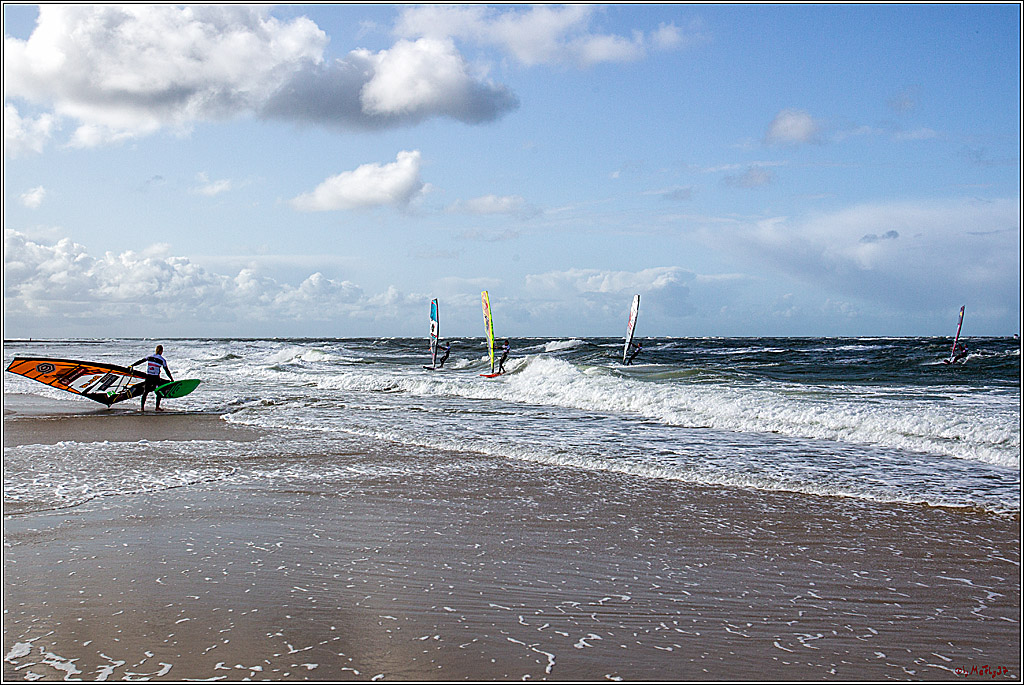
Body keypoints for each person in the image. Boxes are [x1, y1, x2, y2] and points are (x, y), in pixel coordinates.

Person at [130, 344, 174, 411]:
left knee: (145, 392)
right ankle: (157, 407)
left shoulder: (149, 356)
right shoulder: (162, 360)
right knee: (158, 392)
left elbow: (141, 361)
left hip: (149, 377)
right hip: (156, 378)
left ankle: (142, 408)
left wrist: (132, 365)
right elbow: (166, 370)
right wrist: (171, 379)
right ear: (161, 351)